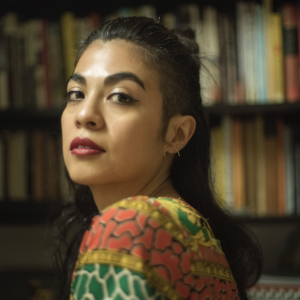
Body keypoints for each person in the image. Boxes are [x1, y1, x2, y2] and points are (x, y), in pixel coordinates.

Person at [54, 16, 262, 300]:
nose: (85, 115)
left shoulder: (130, 230)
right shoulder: (190, 232)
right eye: (76, 93)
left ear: (177, 134)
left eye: (120, 97)